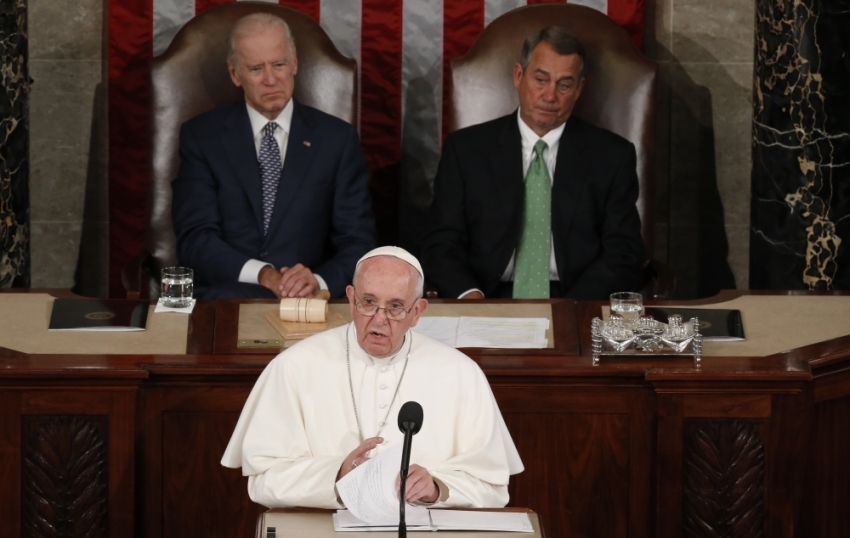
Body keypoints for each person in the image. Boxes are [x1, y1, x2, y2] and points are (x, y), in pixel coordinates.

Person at [221, 246, 524, 508]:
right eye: (368, 302)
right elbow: (263, 482)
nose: (379, 319)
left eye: (395, 307)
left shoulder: (461, 373)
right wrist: (337, 474)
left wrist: (436, 489)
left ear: (417, 312)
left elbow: (494, 488)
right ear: (351, 299)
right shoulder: (294, 366)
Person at [421, 26, 646, 301]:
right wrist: (468, 295)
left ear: (579, 89)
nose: (550, 97)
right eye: (541, 80)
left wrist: (573, 307)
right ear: (519, 76)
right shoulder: (467, 150)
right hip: (487, 296)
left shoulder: (612, 156)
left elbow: (623, 252)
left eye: (564, 85)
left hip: (575, 298)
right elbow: (441, 242)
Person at [171, 13, 375, 300]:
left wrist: (318, 280)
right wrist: (264, 274)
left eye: (278, 64)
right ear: (234, 74)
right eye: (256, 69)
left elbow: (358, 241)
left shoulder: (336, 140)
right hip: (226, 299)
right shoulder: (202, 138)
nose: (270, 79)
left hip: (310, 304)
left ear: (294, 62)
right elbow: (195, 239)